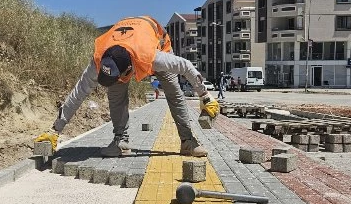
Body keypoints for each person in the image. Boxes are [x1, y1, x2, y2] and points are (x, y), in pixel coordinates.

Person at [35, 16, 219, 157]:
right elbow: (78, 93)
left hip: (156, 42)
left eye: (118, 77)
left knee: (172, 89)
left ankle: (187, 141)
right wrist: (55, 130)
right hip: (124, 41)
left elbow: (186, 66)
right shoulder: (99, 59)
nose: (114, 81)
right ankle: (120, 142)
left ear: (129, 69)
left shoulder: (152, 57)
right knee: (115, 93)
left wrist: (205, 97)